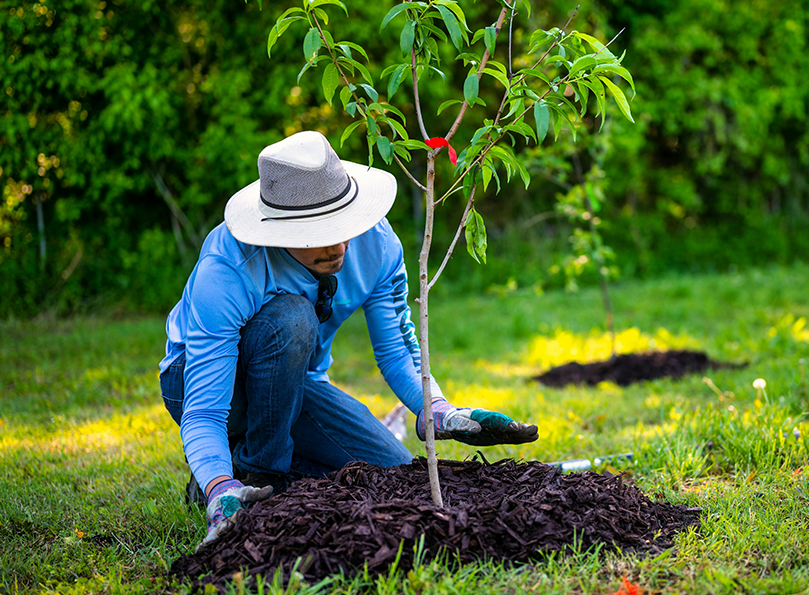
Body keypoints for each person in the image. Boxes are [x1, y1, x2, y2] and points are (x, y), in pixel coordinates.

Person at [158, 131, 538, 547]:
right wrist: (219, 488)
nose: (339, 245)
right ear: (280, 231)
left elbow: (397, 348)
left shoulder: (376, 244)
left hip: (296, 385)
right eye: (318, 232)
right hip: (201, 384)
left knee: (391, 471)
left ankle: (239, 468)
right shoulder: (229, 269)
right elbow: (204, 411)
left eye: (344, 224)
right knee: (292, 318)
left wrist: (437, 411)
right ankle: (245, 478)